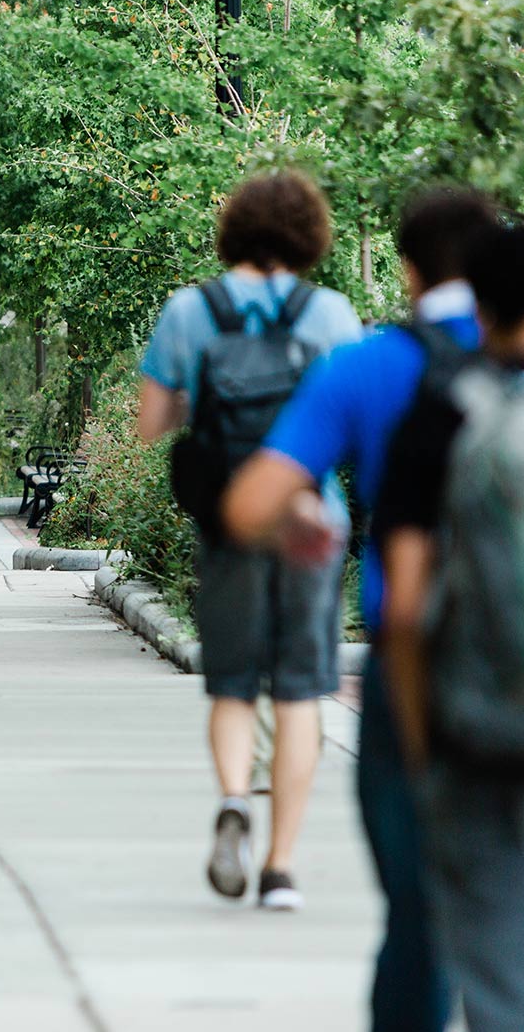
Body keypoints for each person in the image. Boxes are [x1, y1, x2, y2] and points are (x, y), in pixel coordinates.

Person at [222, 186, 498, 1028]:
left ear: (409, 270)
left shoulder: (371, 364)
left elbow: (250, 503)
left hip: (414, 662)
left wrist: (303, 515)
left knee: (418, 920)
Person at [373, 218, 524, 1032]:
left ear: (485, 309)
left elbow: (403, 605)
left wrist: (427, 746)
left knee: (516, 986)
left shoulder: (444, 415)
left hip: (490, 743)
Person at [137, 169, 364, 910]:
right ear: (310, 233)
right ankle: (280, 867)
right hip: (309, 521)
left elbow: (152, 421)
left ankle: (235, 795)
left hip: (230, 517)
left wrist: (206, 410)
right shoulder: (330, 314)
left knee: (234, 684)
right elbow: (354, 428)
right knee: (298, 691)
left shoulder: (190, 311)